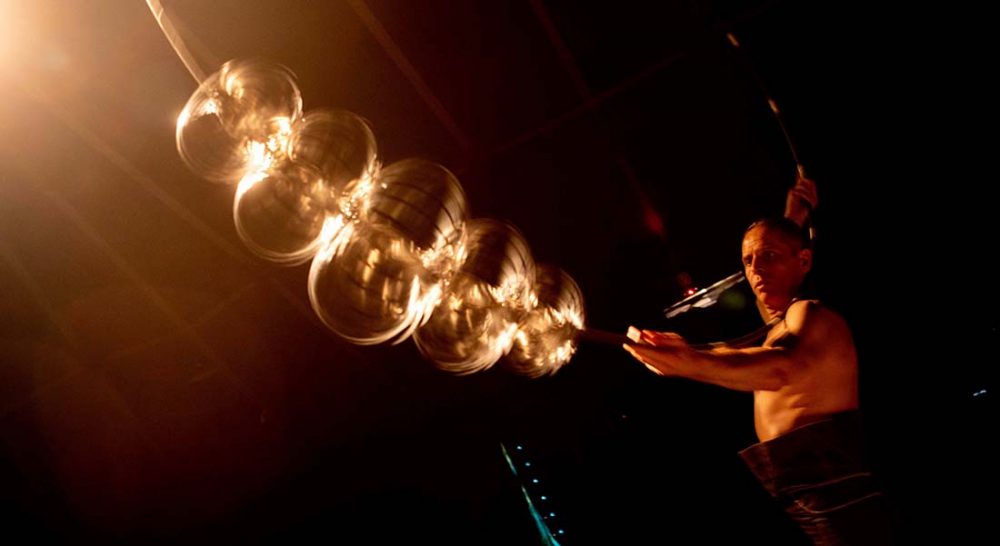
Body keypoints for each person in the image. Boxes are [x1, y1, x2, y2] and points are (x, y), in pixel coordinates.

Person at [623, 177, 894, 544]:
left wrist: (687, 364)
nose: (755, 270)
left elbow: (780, 366)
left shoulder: (813, 315)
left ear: (805, 260)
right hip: (800, 490)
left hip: (836, 495)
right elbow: (756, 336)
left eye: (767, 256)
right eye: (748, 261)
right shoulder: (779, 326)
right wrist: (683, 351)